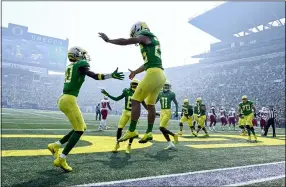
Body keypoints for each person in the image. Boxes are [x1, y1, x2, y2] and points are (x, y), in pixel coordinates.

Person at [47, 46, 124, 172]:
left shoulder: (70, 66)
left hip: (64, 98)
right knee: (79, 130)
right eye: (82, 54)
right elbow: (94, 75)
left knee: (81, 127)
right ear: (77, 55)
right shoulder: (81, 64)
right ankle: (62, 158)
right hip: (69, 99)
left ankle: (55, 145)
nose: (84, 56)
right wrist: (111, 75)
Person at [99, 21, 166, 143]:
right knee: (150, 105)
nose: (134, 36)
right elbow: (148, 63)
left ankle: (132, 130)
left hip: (153, 73)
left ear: (138, 29)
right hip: (161, 75)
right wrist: (135, 71)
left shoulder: (145, 35)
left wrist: (108, 40)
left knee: (136, 100)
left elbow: (125, 41)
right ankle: (149, 132)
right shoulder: (153, 38)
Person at [101, 79, 147, 153]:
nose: (134, 85)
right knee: (119, 128)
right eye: (133, 84)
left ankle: (129, 145)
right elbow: (117, 99)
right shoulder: (126, 91)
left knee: (131, 131)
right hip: (126, 112)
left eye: (136, 84)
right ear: (131, 84)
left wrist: (151, 111)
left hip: (134, 113)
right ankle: (117, 144)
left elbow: (144, 104)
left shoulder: (140, 93)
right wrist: (108, 94)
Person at [156, 81, 179, 149]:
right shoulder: (159, 93)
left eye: (167, 85)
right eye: (164, 85)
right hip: (162, 111)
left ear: (169, 87)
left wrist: (177, 111)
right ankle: (170, 144)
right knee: (163, 129)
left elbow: (176, 103)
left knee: (161, 127)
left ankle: (174, 135)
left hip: (167, 111)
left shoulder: (172, 94)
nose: (165, 87)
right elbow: (154, 102)